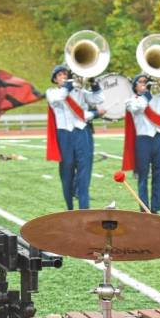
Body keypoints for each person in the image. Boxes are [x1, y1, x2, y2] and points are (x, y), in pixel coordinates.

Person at [46, 64, 104, 210]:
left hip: (82, 133)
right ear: (55, 79)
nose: (64, 76)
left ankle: (84, 210)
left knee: (84, 173)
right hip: (64, 135)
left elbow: (99, 98)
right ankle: (70, 208)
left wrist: (93, 83)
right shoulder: (52, 92)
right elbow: (59, 98)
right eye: (60, 75)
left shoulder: (80, 91)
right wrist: (70, 84)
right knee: (66, 175)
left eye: (66, 74)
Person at [122, 74, 160, 214]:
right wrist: (147, 94)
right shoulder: (131, 101)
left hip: (159, 138)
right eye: (140, 82)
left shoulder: (157, 97)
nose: (143, 84)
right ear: (135, 86)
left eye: (145, 82)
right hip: (143, 141)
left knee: (158, 174)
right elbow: (138, 108)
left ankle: (155, 208)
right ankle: (144, 207)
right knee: (143, 176)